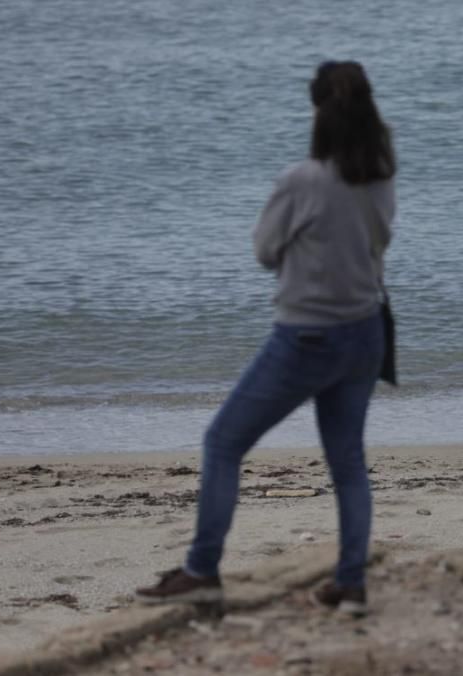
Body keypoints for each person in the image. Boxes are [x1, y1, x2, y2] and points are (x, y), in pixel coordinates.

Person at [135, 61, 396, 618]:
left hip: (306, 337)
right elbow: (381, 242)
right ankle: (351, 584)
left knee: (223, 443)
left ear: (318, 113)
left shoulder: (302, 179)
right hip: (365, 333)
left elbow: (263, 251)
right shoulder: (379, 175)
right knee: (347, 461)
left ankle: (202, 572)